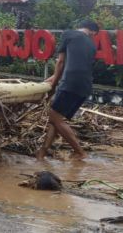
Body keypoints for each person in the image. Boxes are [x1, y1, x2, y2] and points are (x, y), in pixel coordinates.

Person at [36, 20, 99, 160]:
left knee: (54, 117)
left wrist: (53, 84)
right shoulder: (92, 45)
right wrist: (54, 77)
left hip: (71, 83)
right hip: (85, 86)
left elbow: (61, 62)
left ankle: (79, 152)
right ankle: (42, 153)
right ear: (92, 31)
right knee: (56, 119)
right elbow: (75, 64)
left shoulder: (69, 34)